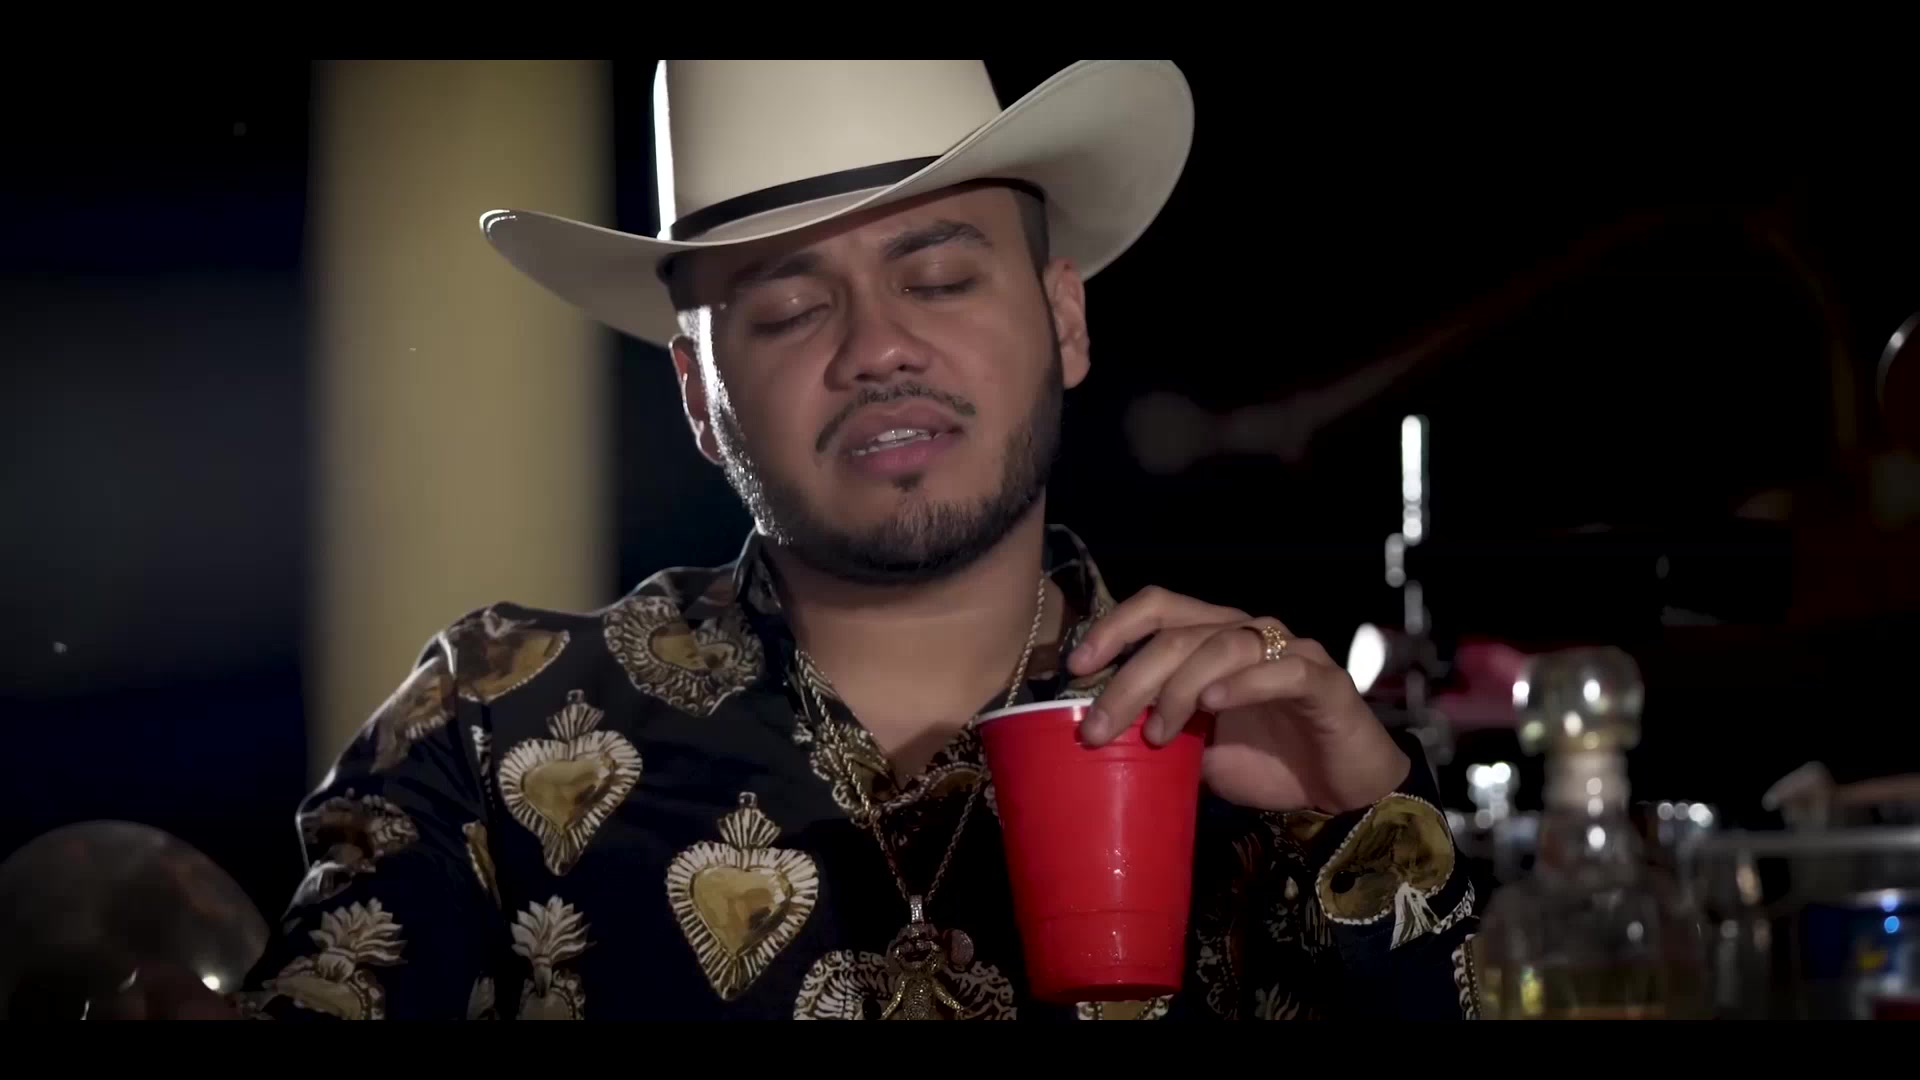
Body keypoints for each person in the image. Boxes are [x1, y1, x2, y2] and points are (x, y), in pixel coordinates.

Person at [233, 59, 1483, 1020]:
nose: (878, 347)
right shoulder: (492, 732)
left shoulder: (1260, 743)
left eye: (938, 281)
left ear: (1065, 320)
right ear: (699, 399)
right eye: (788, 308)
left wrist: (1365, 830)